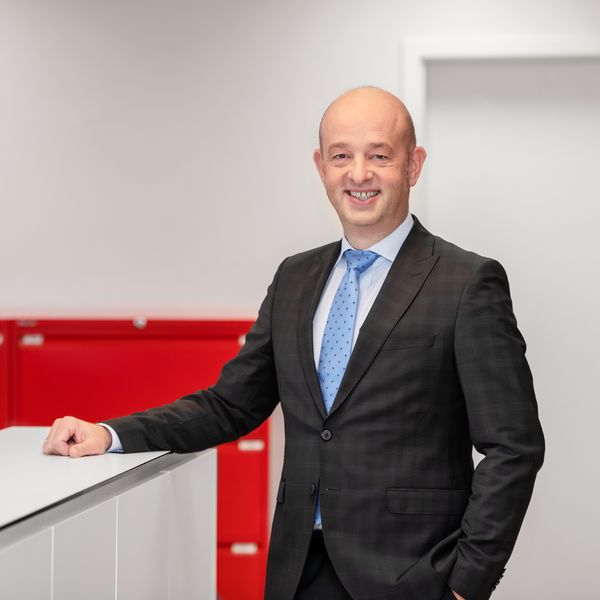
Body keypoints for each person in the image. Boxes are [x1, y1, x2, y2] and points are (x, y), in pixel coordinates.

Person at [43, 86, 544, 600]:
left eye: (379, 156)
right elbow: (230, 405)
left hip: (415, 577)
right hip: (298, 570)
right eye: (341, 156)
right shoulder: (294, 278)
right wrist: (109, 433)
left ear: (413, 165)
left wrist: (467, 583)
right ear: (321, 167)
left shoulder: (466, 282)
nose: (359, 174)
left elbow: (514, 446)